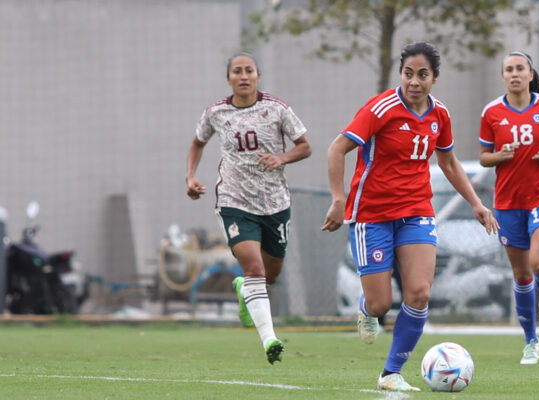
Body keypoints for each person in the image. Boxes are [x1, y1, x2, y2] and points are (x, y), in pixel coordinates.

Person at [321, 41, 499, 391]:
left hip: (417, 211)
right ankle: (367, 309)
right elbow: (337, 148)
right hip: (372, 214)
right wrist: (339, 199)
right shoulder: (381, 108)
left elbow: (448, 162)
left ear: (435, 78)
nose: (414, 81)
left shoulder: (440, 115)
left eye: (422, 75)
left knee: (418, 293)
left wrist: (477, 203)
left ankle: (391, 374)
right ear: (400, 74)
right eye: (408, 74)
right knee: (381, 302)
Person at [185, 52, 312, 365]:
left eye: (249, 71)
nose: (243, 76)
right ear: (229, 78)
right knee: (254, 267)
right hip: (234, 201)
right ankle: (269, 339)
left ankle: (245, 289)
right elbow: (198, 142)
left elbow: (305, 146)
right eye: (237, 71)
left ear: (258, 76)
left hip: (275, 202)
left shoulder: (277, 109)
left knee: (270, 274)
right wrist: (190, 175)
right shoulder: (215, 113)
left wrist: (281, 158)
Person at [478, 51, 539, 365]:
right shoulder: (492, 112)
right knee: (521, 275)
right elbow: (483, 156)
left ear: (531, 74)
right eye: (509, 70)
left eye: (520, 68)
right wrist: (500, 155)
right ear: (503, 76)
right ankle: (530, 342)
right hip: (508, 202)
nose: (515, 74)